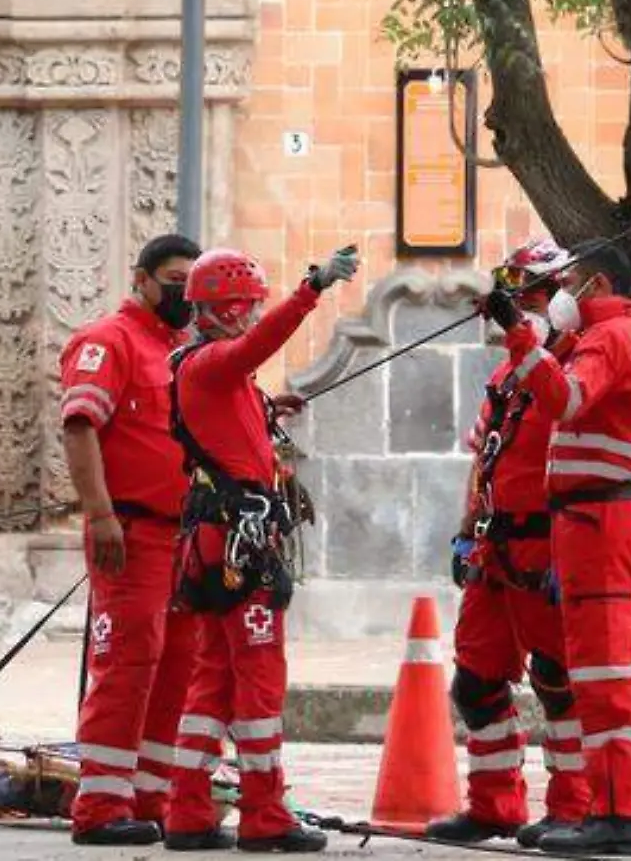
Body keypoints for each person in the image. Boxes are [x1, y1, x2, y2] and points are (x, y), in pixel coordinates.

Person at [162, 244, 360, 854]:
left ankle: (189, 811)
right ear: (221, 312)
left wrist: (267, 406)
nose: (251, 318)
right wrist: (312, 288)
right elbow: (255, 348)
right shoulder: (214, 363)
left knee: (213, 682)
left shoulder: (206, 369)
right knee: (258, 681)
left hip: (218, 542)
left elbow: (226, 421)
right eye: (245, 309)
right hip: (237, 546)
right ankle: (265, 815)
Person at [480, 240, 631, 857]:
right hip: (599, 516)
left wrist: (519, 336)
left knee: (603, 669)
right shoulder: (624, 340)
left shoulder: (612, 338)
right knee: (592, 667)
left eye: (567, 283)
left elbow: (564, 399)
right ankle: (603, 808)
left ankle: (617, 816)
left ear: (594, 284)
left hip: (600, 517)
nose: (559, 294)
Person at [428, 239, 591, 848]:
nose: (515, 311)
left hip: (545, 552)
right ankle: (494, 807)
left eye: (527, 297)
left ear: (558, 296)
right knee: (475, 682)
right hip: (495, 552)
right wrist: (465, 530)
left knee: (558, 683)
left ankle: (575, 810)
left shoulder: (574, 367)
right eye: (511, 298)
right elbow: (483, 459)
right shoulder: (506, 376)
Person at [59, 234, 205, 846]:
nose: (183, 293)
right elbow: (79, 425)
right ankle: (100, 806)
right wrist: (98, 515)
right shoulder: (108, 342)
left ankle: (151, 795)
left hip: (183, 539)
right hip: (130, 533)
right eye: (174, 280)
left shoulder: (181, 352)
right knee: (125, 666)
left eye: (191, 284)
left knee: (177, 667)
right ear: (141, 279)